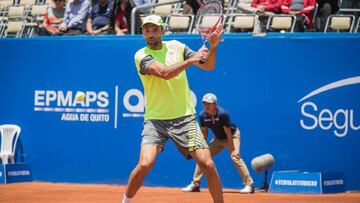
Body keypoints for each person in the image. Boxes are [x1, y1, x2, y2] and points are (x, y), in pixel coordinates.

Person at [122, 14, 225, 203]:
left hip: (185, 118)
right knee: (145, 164)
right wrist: (190, 61)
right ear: (143, 33)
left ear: (162, 30)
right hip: (155, 120)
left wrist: (213, 47)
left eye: (155, 30)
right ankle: (125, 201)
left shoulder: (177, 46)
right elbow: (164, 73)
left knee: (207, 163)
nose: (151, 34)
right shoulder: (141, 55)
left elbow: (209, 65)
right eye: (147, 30)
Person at [182, 93, 254, 194]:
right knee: (202, 158)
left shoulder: (223, 114)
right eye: (205, 103)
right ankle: (195, 184)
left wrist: (234, 150)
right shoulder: (202, 115)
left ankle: (249, 185)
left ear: (215, 104)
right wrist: (200, 148)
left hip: (232, 137)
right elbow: (204, 134)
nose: (206, 106)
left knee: (235, 157)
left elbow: (228, 133)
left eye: (209, 104)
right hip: (218, 139)